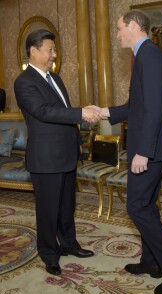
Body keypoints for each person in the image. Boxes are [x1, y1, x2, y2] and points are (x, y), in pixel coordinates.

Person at [97, 11, 162, 294]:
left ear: (133, 25)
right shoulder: (141, 55)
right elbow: (137, 105)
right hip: (151, 147)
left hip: (149, 149)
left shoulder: (149, 55)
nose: (117, 34)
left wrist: (143, 152)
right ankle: (151, 262)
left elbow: (154, 109)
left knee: (136, 207)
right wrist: (105, 111)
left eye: (119, 28)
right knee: (147, 206)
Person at [14, 29, 101, 276]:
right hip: (46, 158)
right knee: (48, 210)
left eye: (54, 50)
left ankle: (69, 244)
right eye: (50, 49)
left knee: (66, 207)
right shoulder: (24, 82)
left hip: (65, 154)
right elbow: (44, 112)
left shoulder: (56, 78)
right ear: (34, 50)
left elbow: (63, 114)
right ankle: (49, 254)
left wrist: (77, 141)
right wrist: (81, 113)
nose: (54, 54)